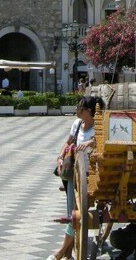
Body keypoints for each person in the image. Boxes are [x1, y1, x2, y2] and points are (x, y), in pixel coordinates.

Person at [48, 95, 105, 260]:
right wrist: (60, 157)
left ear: (88, 110)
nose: (76, 109)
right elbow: (68, 143)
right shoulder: (77, 124)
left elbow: (102, 145)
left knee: (76, 213)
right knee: (73, 212)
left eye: (80, 106)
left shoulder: (99, 128)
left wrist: (91, 143)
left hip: (90, 175)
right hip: (73, 173)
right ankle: (66, 252)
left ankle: (62, 252)